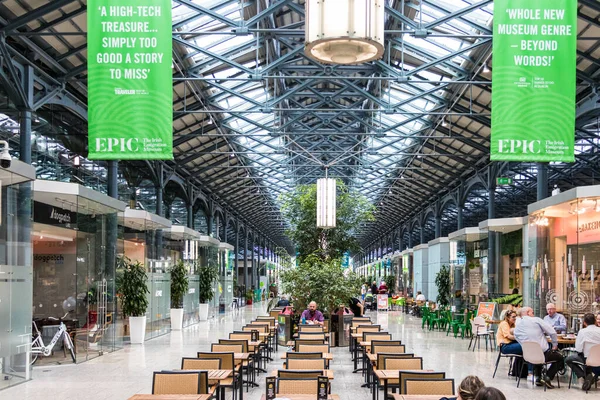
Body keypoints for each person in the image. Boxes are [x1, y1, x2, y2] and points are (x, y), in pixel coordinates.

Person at [514, 306, 564, 388]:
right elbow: (552, 332)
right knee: (560, 357)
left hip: (528, 356)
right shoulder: (536, 320)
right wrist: (555, 345)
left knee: (538, 354)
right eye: (532, 312)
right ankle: (547, 376)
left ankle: (538, 378)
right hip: (542, 354)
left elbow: (517, 338)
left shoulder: (517, 326)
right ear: (528, 313)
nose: (533, 314)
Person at [565, 313, 600, 391]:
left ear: (584, 322)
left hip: (586, 359)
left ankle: (585, 376)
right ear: (595, 321)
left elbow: (578, 349)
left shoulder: (582, 332)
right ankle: (589, 377)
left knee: (568, 360)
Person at [496, 310, 526, 377]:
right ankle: (527, 372)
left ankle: (518, 372)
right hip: (505, 346)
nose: (515, 318)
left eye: (516, 317)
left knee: (524, 348)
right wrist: (520, 338)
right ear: (508, 318)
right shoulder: (504, 324)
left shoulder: (512, 325)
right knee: (525, 347)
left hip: (510, 344)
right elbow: (508, 336)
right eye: (513, 317)